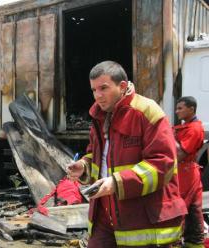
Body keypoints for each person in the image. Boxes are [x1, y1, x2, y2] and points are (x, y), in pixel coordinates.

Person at [67, 61, 187, 247]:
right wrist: (83, 167)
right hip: (104, 214)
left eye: (103, 88)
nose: (98, 96)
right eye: (94, 90)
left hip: (142, 217)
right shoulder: (99, 116)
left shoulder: (147, 111)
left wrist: (116, 183)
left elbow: (163, 164)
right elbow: (96, 156)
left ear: (122, 86)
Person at [173, 96, 204, 247]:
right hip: (186, 171)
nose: (176, 111)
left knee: (178, 208)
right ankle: (194, 242)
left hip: (186, 173)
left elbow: (180, 154)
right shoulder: (186, 127)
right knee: (193, 211)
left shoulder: (194, 129)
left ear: (191, 109)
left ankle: (176, 242)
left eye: (180, 108)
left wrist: (167, 135)